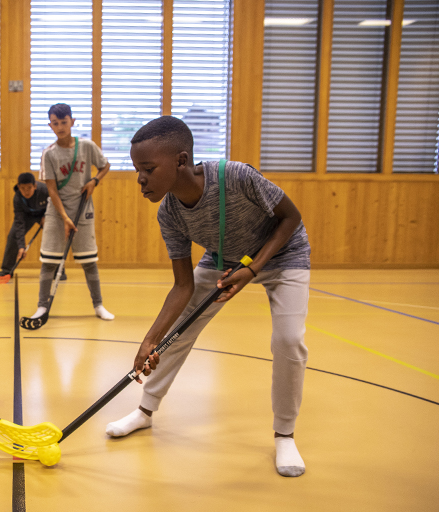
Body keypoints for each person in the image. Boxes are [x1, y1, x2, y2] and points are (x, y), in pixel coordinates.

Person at [107, 116, 311, 478]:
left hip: (282, 256)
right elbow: (183, 286)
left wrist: (253, 269)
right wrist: (150, 340)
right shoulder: (169, 213)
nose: (140, 179)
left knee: (289, 340)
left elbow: (291, 217)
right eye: (138, 169)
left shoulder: (235, 177)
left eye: (149, 169)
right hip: (223, 259)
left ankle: (285, 434)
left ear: (181, 160)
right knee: (179, 332)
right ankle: (145, 411)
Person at [32, 103, 113, 320]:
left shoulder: (87, 146)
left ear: (72, 122)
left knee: (89, 261)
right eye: (55, 123)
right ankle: (41, 306)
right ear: (50, 125)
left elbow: (105, 165)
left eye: (64, 122)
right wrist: (65, 218)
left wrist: (94, 181)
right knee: (49, 261)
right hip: (57, 213)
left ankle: (98, 306)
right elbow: (51, 189)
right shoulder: (48, 154)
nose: (60, 127)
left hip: (83, 210)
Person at [0, 172, 49, 278]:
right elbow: (19, 222)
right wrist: (21, 247)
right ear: (19, 187)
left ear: (35, 186)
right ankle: (7, 271)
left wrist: (48, 216)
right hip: (27, 215)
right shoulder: (18, 198)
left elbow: (56, 203)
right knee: (13, 236)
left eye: (29, 188)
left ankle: (57, 271)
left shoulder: (45, 190)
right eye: (23, 188)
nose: (26, 191)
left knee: (54, 236)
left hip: (45, 214)